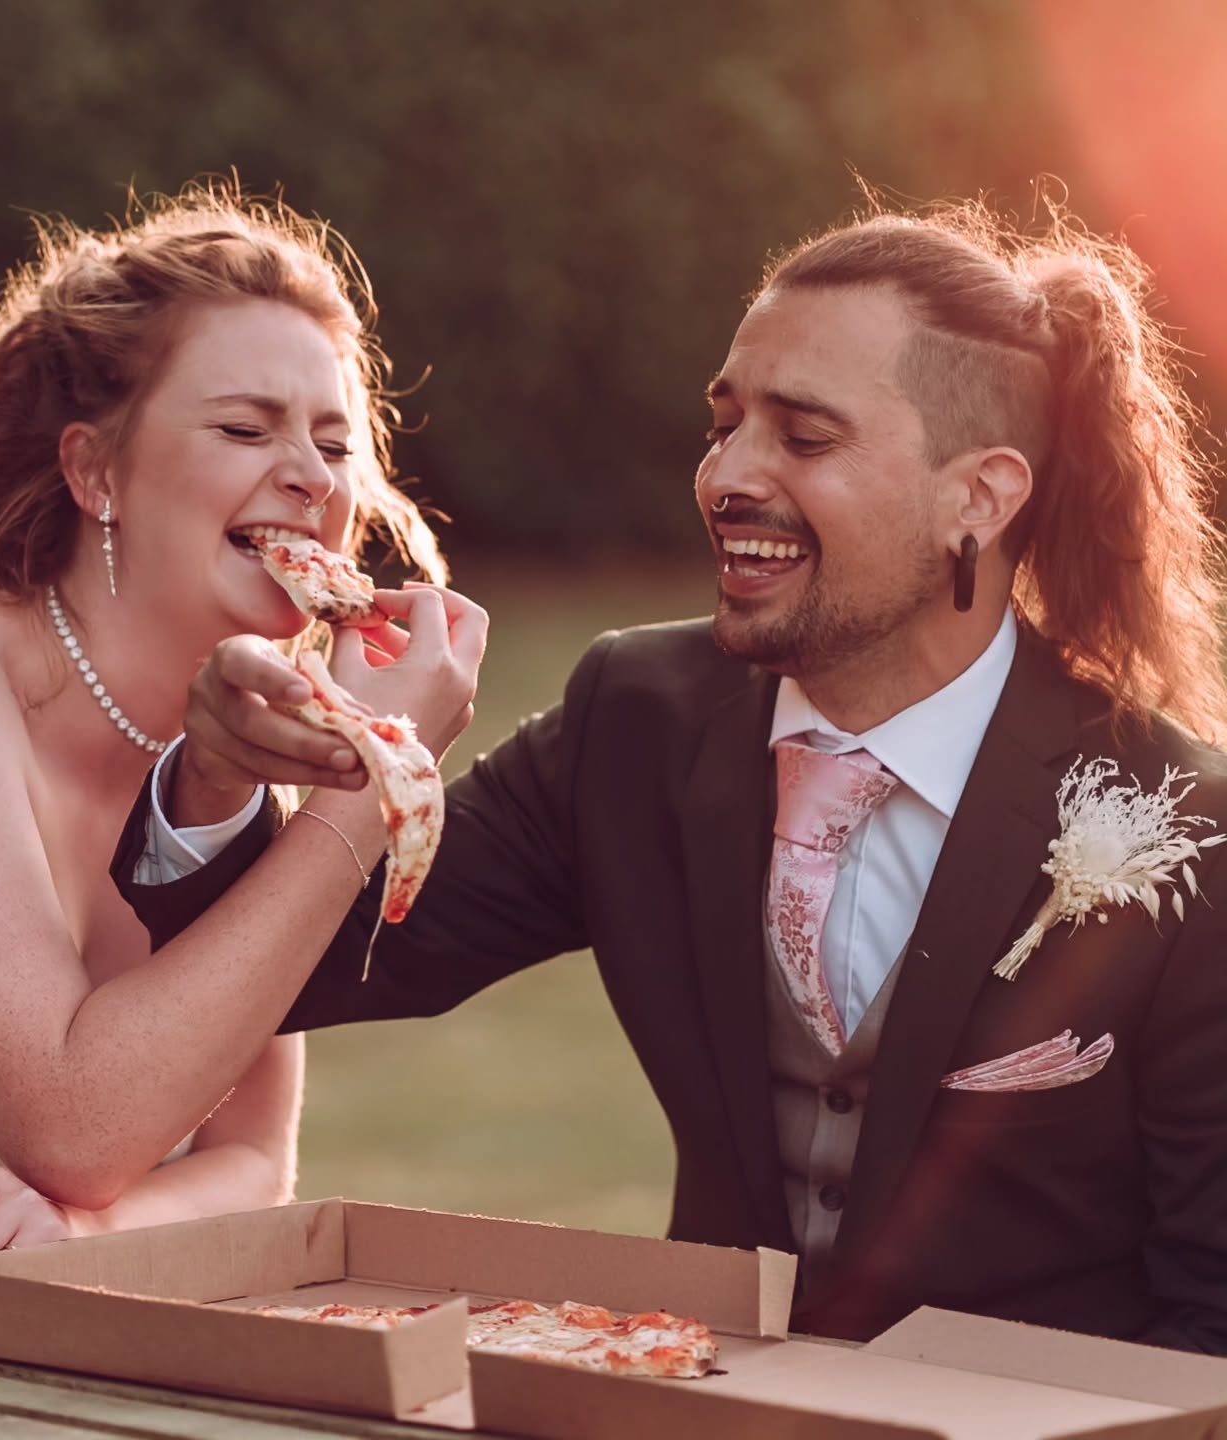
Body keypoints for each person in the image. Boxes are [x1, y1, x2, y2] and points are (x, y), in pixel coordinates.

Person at [115, 196, 1227, 1354]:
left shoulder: (1187, 834)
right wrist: (223, 780)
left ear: (980, 498)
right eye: (727, 421)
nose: (726, 476)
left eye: (804, 437)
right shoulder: (634, 724)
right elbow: (306, 971)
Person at [0, 183, 485, 1323]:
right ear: (95, 473)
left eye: (333, 442)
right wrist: (377, 778)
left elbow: (255, 1165)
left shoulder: (238, 772)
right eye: (246, 429)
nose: (312, 476)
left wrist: (85, 1233)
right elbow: (75, 1122)